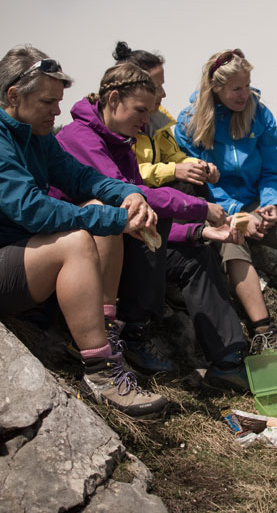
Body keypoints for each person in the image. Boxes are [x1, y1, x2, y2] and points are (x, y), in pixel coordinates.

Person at [53, 61, 250, 392]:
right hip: (83, 250)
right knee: (142, 222)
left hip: (123, 242)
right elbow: (131, 198)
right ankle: (129, 332)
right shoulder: (80, 137)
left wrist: (198, 231)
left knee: (195, 258)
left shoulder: (121, 139)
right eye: (141, 110)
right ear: (113, 99)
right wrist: (202, 209)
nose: (147, 121)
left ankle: (228, 361)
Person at [0, 45, 168, 418]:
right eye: (48, 101)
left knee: (96, 210)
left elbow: (81, 178)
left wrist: (128, 194)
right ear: (13, 95)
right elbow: (31, 209)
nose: (57, 111)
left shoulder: (36, 135)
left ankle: (102, 333)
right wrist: (115, 220)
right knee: (78, 240)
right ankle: (102, 374)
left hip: (20, 254)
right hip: (7, 257)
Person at [175, 48, 277, 372]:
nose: (244, 94)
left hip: (257, 201)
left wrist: (271, 204)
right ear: (216, 87)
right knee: (233, 246)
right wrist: (239, 214)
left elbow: (273, 170)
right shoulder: (190, 122)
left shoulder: (260, 114)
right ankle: (264, 332)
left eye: (247, 85)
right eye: (236, 88)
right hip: (218, 205)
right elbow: (202, 181)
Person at [112, 41, 219, 198]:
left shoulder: (158, 118)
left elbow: (171, 155)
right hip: (134, 197)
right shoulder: (117, 125)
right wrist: (174, 170)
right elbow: (128, 173)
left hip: (156, 191)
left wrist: (197, 166)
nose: (163, 94)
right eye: (156, 88)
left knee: (194, 182)